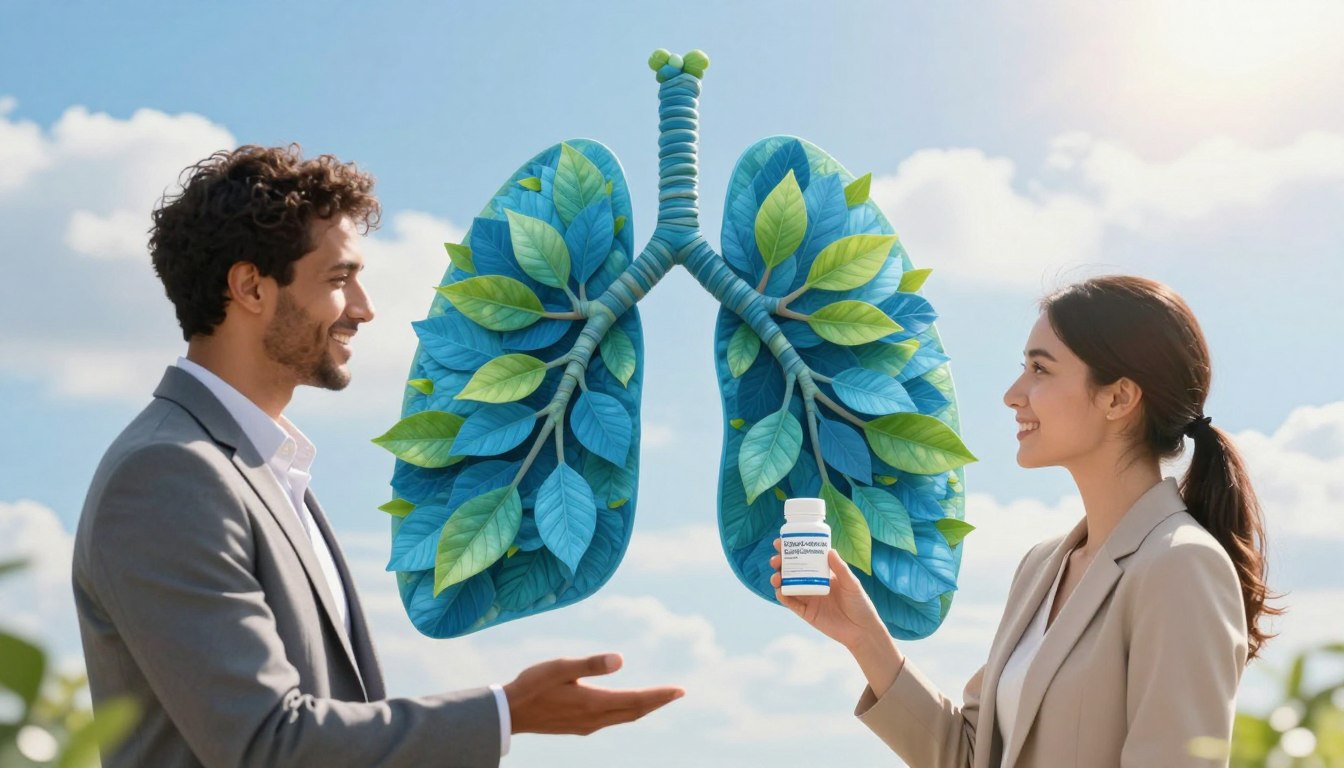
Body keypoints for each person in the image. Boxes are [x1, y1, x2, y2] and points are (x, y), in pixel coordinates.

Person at [72, 145, 683, 768]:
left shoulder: (263, 471)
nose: (364, 309)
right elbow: (262, 743)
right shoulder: (167, 475)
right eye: (339, 280)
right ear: (251, 287)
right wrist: (506, 713)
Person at [770, 275, 1279, 767]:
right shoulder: (1042, 566)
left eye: (1041, 369)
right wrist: (865, 637)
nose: (1014, 394)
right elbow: (971, 756)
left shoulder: (1180, 566)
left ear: (1119, 398)